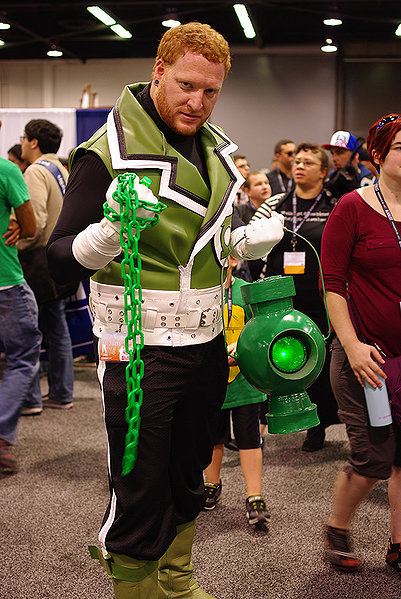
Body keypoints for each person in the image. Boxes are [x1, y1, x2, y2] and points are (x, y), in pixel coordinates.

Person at [46, 22, 284, 598]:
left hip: (204, 345)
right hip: (138, 349)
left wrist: (245, 242)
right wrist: (107, 233)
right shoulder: (106, 154)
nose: (196, 102)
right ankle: (136, 587)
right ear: (158, 71)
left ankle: (176, 579)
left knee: (189, 471)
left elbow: (200, 251)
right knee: (139, 484)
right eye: (185, 85)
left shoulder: (217, 152)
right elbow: (52, 267)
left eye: (211, 92)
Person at [321, 114, 401, 573]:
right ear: (378, 156)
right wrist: (350, 345)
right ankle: (337, 525)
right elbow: (332, 282)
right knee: (374, 457)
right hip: (365, 357)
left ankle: (397, 544)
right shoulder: (352, 207)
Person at [253, 143, 340, 451]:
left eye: (308, 162)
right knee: (277, 359)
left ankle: (319, 426)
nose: (299, 166)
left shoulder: (335, 204)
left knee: (319, 362)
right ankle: (264, 424)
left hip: (320, 299)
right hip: (280, 299)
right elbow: (254, 242)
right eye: (297, 161)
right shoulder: (275, 203)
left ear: (324, 172)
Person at [203, 256, 269, 527]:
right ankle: (211, 484)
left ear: (234, 259)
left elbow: (261, 330)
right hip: (210, 378)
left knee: (249, 438)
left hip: (245, 379)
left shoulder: (246, 292)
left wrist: (243, 350)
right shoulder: (202, 292)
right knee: (213, 438)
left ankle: (254, 496)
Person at [18, 119, 75, 411]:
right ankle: (62, 392)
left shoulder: (36, 172)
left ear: (34, 142)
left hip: (40, 260)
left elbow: (35, 224)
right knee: (58, 325)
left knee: (32, 329)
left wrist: (16, 246)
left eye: (24, 137)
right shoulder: (61, 169)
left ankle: (35, 398)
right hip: (63, 255)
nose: (22, 142)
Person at [0, 120, 42, 473]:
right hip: (5, 283)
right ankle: (0, 438)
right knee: (23, 359)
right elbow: (31, 226)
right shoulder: (6, 170)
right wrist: (15, 223)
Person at [322, 130, 373, 198]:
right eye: (332, 153)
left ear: (356, 155)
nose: (333, 159)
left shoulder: (370, 182)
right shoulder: (329, 179)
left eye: (340, 152)